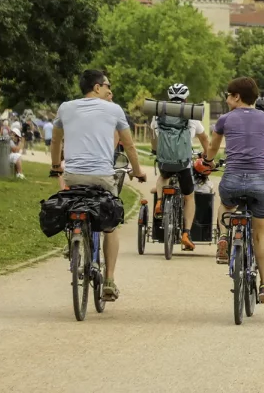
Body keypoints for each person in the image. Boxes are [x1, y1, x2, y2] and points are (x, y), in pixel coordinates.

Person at [50, 69, 147, 302]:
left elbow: (56, 140)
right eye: (107, 86)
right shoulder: (114, 110)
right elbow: (129, 145)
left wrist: (56, 166)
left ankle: (74, 238)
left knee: (74, 201)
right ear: (96, 87)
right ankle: (110, 280)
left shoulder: (65, 107)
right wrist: (137, 171)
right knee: (110, 226)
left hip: (73, 175)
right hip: (102, 177)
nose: (109, 90)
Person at [206, 77, 264, 303]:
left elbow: (213, 147)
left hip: (232, 179)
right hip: (259, 182)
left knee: (225, 204)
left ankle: (223, 235)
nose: (226, 98)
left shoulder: (224, 119)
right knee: (260, 234)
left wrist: (207, 161)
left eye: (228, 94)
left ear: (237, 97)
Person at [149, 83, 210, 251]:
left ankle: (160, 201)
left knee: (163, 177)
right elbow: (204, 139)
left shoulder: (159, 114)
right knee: (189, 197)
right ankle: (186, 233)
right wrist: (206, 155)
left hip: (165, 160)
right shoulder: (191, 115)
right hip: (183, 163)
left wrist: (155, 151)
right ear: (186, 98)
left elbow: (153, 136)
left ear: (169, 98)